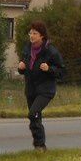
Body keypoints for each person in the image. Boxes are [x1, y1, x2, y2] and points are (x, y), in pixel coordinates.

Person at [18, 22, 65, 151]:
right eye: (30, 33)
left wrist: (49, 69)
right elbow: (25, 66)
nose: (31, 36)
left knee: (33, 113)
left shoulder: (51, 51)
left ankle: (40, 144)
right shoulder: (27, 48)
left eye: (35, 33)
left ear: (42, 36)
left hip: (45, 90)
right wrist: (20, 67)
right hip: (30, 89)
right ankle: (39, 146)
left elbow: (61, 71)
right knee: (34, 117)